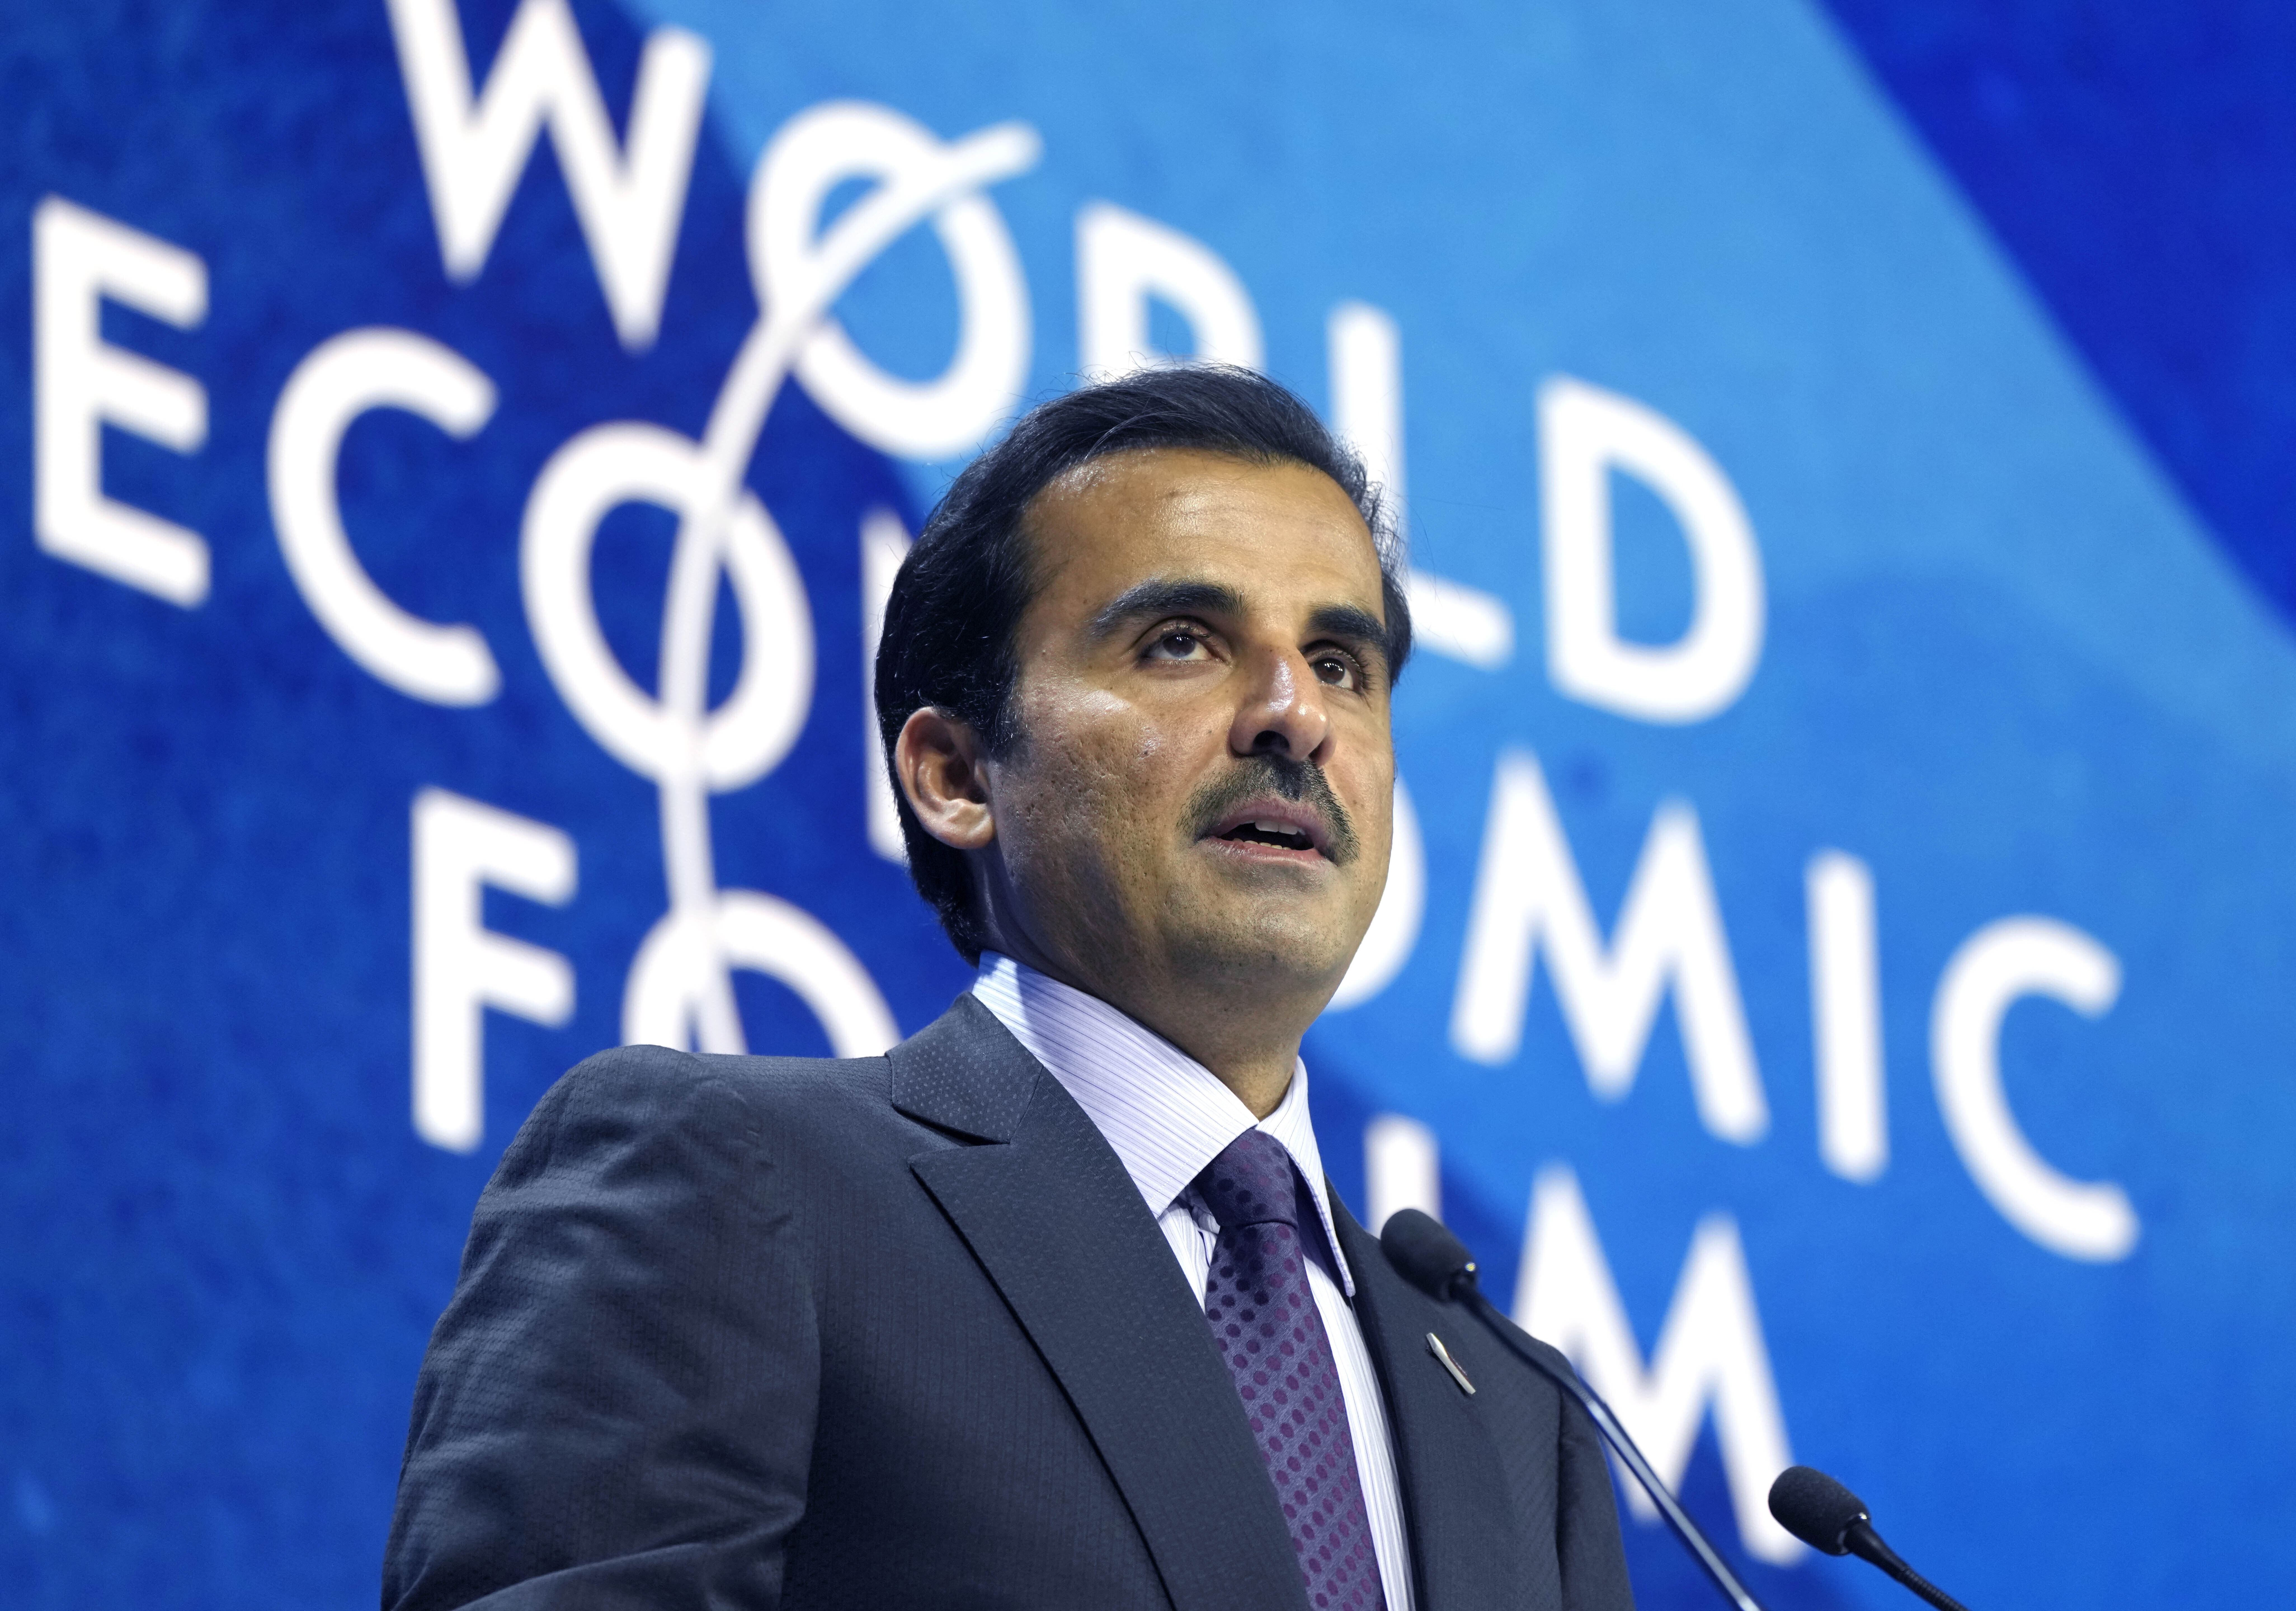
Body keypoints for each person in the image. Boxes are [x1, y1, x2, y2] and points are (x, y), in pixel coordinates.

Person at [383, 364, 1634, 1611]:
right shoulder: (738, 1183)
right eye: (1182, 643)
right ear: (955, 777)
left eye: (1341, 662)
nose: (1292, 715)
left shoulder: (1518, 1421)